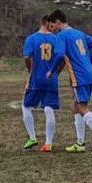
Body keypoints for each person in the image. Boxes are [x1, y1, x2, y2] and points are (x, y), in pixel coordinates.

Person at [47, 9, 92, 154]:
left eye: (52, 26)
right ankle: (80, 143)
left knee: (82, 108)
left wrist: (52, 71)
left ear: (58, 22)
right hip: (88, 74)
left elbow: (59, 55)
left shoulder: (62, 36)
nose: (53, 30)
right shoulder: (78, 33)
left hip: (79, 76)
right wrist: (88, 61)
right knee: (75, 107)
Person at [21, 15, 59, 153]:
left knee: (26, 106)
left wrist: (30, 69)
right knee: (49, 109)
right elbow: (61, 58)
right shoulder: (56, 39)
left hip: (36, 78)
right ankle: (48, 143)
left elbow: (27, 57)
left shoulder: (32, 38)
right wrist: (56, 72)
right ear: (48, 23)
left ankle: (32, 137)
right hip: (51, 79)